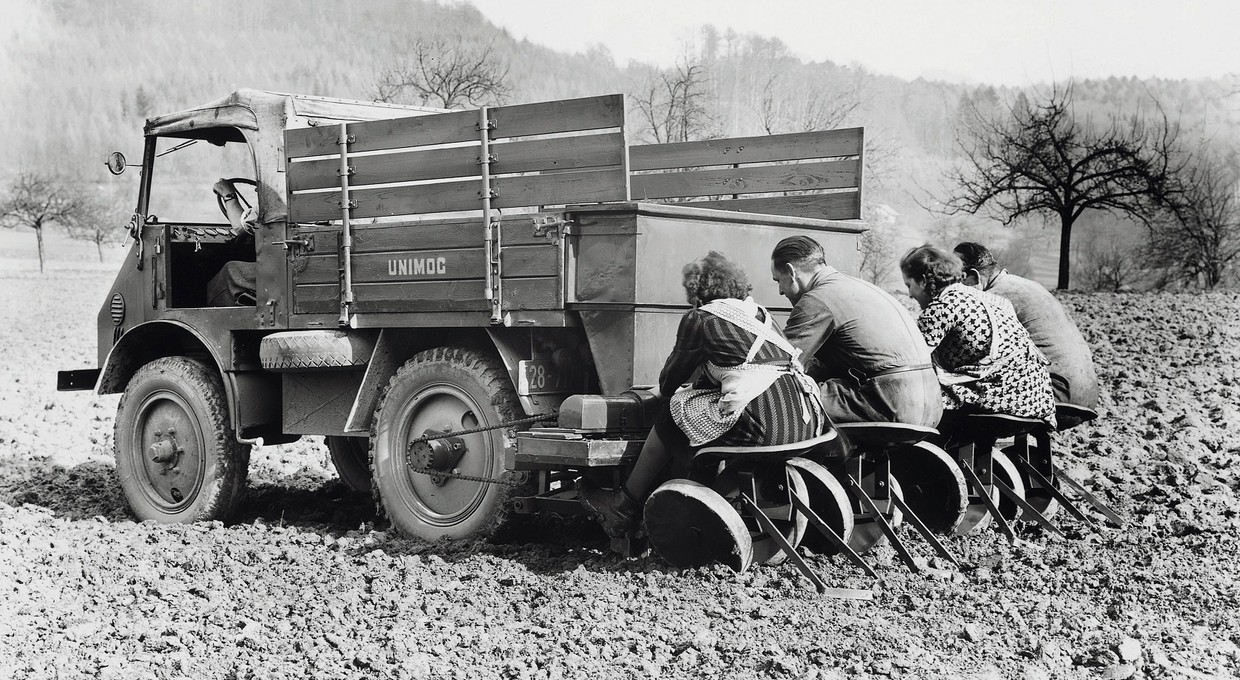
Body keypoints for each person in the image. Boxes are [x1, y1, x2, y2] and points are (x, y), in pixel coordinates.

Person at [579, 251, 828, 537]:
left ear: (698, 291)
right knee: (705, 412)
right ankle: (701, 488)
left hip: (765, 425)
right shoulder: (760, 315)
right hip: (803, 420)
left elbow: (671, 379)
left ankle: (624, 504)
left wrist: (666, 389)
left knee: (673, 412)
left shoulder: (702, 318)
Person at [770, 235, 941, 428]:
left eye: (778, 280)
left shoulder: (816, 299)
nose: (780, 291)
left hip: (888, 403)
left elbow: (778, 364)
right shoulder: (860, 286)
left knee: (782, 402)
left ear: (791, 272)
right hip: (931, 405)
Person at [899, 245, 1056, 429]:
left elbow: (909, 360)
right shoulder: (994, 300)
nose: (909, 294)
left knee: (912, 397)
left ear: (924, 281)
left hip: (1000, 399)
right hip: (1035, 399)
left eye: (909, 285)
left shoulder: (943, 306)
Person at [953, 242, 1099, 414]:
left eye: (957, 281)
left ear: (973, 277)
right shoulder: (1026, 285)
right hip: (1087, 395)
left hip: (1055, 394)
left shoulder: (992, 299)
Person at [206, 178, 258, 307]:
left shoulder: (276, 203)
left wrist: (228, 194)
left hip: (278, 271)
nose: (258, 189)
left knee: (231, 270)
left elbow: (240, 226)